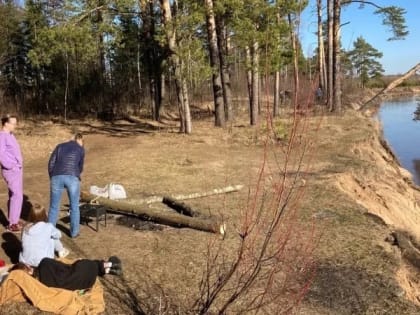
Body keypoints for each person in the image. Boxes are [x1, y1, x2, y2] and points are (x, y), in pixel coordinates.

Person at [10, 256, 122, 291]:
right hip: (80, 273)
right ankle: (110, 265)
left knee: (88, 268)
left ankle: (109, 269)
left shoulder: (41, 285)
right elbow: (64, 266)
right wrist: (78, 262)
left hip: (85, 284)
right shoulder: (45, 263)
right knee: (90, 264)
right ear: (29, 268)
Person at [48, 133, 85, 238]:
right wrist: (76, 174)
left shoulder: (59, 146)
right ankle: (74, 232)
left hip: (56, 176)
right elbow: (80, 167)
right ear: (78, 140)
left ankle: (50, 233)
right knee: (74, 206)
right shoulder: (81, 149)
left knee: (54, 207)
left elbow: (51, 163)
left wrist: (52, 176)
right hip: (72, 177)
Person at [0, 115, 23, 232]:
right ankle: (13, 224)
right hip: (11, 170)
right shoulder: (2, 136)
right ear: (6, 123)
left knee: (14, 195)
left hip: (16, 169)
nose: (15, 125)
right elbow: (1, 154)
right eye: (13, 123)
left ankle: (14, 220)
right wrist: (11, 166)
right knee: (17, 195)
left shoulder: (10, 135)